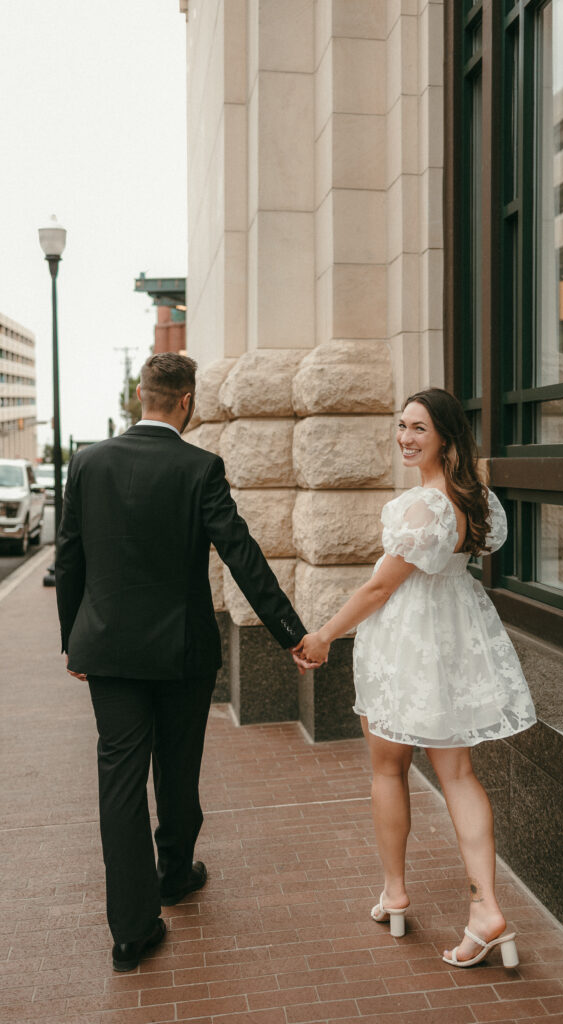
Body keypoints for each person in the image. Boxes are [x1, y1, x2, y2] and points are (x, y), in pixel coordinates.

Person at [56, 353, 314, 972]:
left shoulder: (87, 462)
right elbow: (241, 553)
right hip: (181, 653)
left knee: (118, 782)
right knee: (177, 768)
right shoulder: (200, 468)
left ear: (140, 396)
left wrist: (75, 642)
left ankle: (131, 932)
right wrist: (290, 633)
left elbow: (70, 557)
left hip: (109, 652)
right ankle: (174, 875)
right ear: (187, 402)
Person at [296, 387, 536, 969]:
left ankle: (396, 893)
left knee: (387, 767)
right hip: (454, 638)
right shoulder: (475, 500)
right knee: (458, 775)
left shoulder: (421, 506)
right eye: (401, 425)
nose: (405, 437)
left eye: (419, 429)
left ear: (446, 438)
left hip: (407, 644)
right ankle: (485, 909)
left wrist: (323, 636)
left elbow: (380, 587)